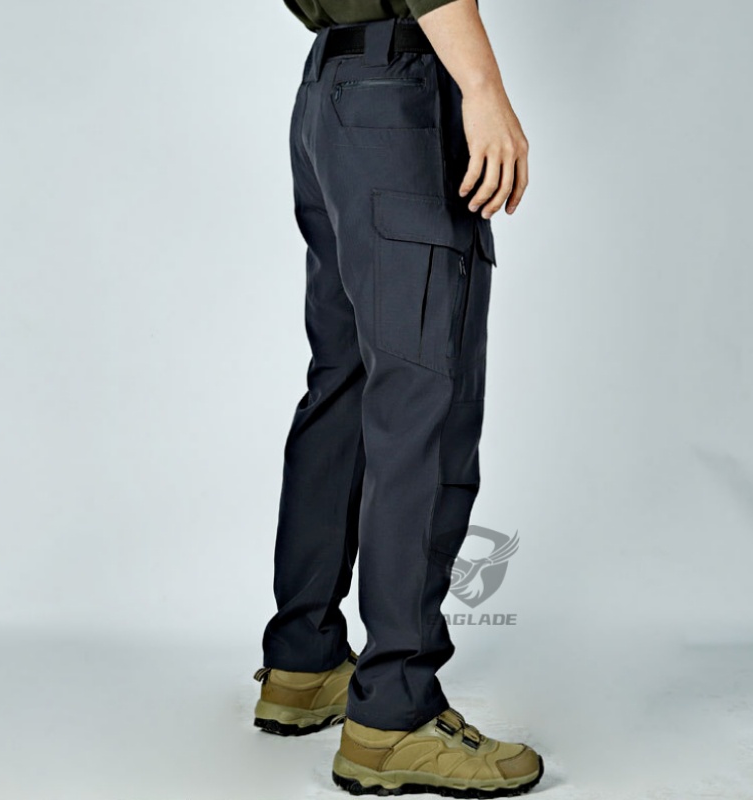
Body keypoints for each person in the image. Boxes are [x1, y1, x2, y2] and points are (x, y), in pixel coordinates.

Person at [253, 0, 542, 795]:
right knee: (423, 400)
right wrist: (482, 88)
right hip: (402, 95)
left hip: (330, 93)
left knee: (344, 384)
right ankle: (395, 714)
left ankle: (305, 661)